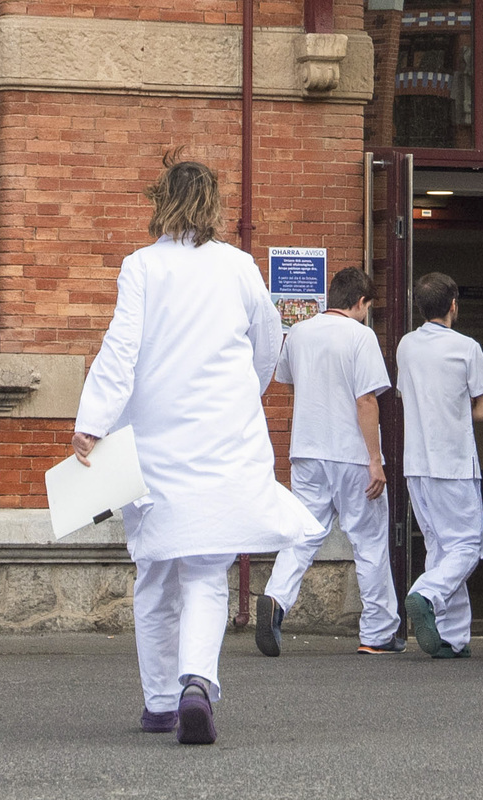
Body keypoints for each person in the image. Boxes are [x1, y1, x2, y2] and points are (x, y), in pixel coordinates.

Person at [73, 160, 321, 746]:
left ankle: (160, 701)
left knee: (156, 571)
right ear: (213, 205)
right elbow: (267, 346)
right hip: (225, 439)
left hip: (155, 445)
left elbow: (121, 348)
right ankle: (197, 684)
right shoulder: (239, 267)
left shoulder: (141, 267)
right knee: (208, 569)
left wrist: (92, 422)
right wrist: (241, 396)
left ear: (160, 202)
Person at [255, 265, 402, 657]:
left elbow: (288, 381)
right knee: (369, 540)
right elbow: (367, 400)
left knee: (303, 534)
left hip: (307, 449)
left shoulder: (300, 332)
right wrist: (376, 459)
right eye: (368, 306)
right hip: (352, 453)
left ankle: (275, 598)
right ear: (359, 302)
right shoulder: (361, 336)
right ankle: (378, 631)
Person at [394, 270, 483, 659]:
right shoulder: (467, 348)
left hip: (415, 464)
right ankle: (426, 593)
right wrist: (456, 412)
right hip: (453, 461)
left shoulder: (406, 346)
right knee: (468, 546)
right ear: (453, 305)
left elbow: (409, 396)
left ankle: (452, 637)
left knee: (440, 548)